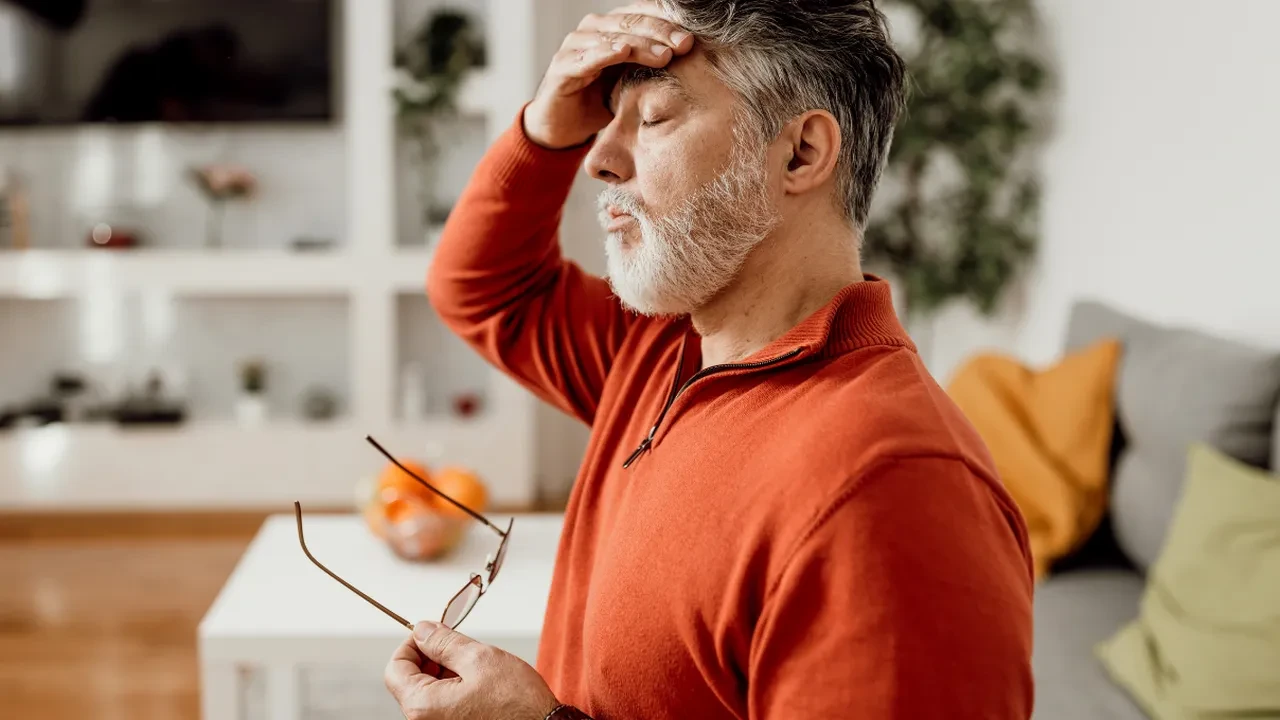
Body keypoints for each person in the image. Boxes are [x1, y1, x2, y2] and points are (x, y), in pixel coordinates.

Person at [383, 2, 1035, 719]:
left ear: (801, 154)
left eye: (654, 118)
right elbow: (483, 289)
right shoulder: (661, 348)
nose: (597, 158)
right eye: (605, 119)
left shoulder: (889, 490)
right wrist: (544, 128)